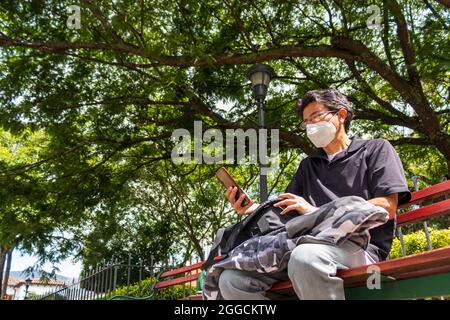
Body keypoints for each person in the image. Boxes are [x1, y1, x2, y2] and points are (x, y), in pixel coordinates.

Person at [219, 88, 411, 300]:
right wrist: (253, 209)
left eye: (316, 117)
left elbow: (387, 207)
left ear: (341, 115)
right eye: (306, 122)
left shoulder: (375, 149)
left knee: (306, 258)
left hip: (360, 248)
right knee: (231, 279)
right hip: (305, 244)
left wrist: (316, 212)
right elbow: (285, 209)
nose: (310, 126)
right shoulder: (308, 165)